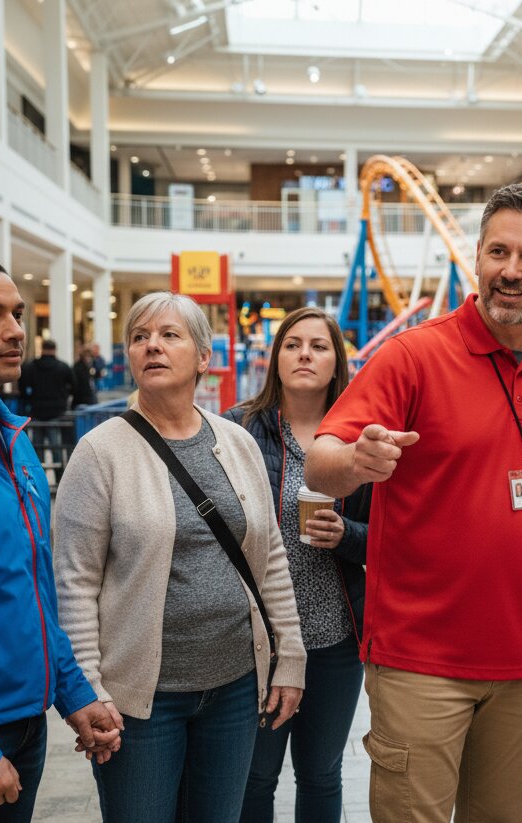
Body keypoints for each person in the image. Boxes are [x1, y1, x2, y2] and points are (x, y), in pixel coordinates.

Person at [305, 183, 522, 823]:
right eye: (498, 251)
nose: (511, 271)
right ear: (477, 257)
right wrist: (355, 462)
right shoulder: (413, 355)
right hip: (420, 660)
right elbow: (321, 460)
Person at [53, 291, 306, 823]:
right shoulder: (101, 452)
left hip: (236, 688)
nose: (152, 346)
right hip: (142, 701)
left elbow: (271, 558)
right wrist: (90, 689)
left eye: (169, 335)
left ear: (203, 357)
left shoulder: (236, 443)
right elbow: (74, 583)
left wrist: (291, 659)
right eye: (140, 337)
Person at [0, 254, 119, 822]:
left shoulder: (12, 440)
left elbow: (34, 591)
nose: (16, 330)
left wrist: (73, 695)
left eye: (17, 314)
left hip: (23, 725)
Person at [225, 306, 367, 823]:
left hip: (336, 639)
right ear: (277, 359)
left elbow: (391, 541)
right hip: (259, 640)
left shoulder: (358, 442)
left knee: (322, 775)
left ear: (337, 364)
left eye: (319, 346)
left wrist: (346, 535)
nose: (305, 354)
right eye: (293, 344)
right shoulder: (238, 430)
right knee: (255, 778)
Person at [19, 338, 76, 420]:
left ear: (42, 349)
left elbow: (22, 386)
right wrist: (65, 396)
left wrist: (28, 399)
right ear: (55, 349)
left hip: (36, 407)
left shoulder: (30, 367)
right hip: (58, 407)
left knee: (37, 431)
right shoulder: (64, 367)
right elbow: (74, 386)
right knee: (54, 431)